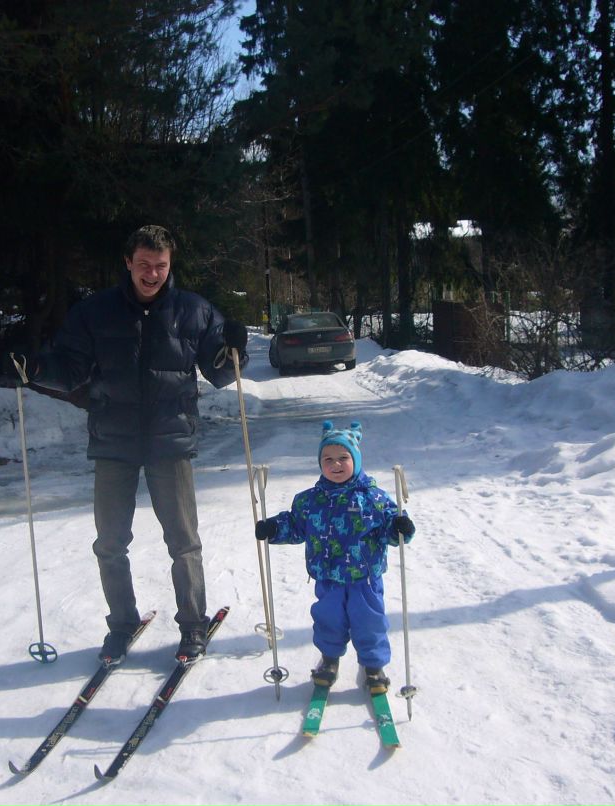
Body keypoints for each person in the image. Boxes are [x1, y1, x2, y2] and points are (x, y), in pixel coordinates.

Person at [29, 225, 248, 667]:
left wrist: (232, 350)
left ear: (170, 266)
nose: (152, 274)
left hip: (171, 441)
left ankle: (192, 624)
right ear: (128, 262)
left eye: (160, 266)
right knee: (110, 543)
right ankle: (122, 623)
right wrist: (33, 368)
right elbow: (69, 369)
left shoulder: (194, 310)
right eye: (144, 264)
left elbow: (220, 371)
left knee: (183, 542)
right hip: (114, 441)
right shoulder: (96, 312)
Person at [254, 420, 415, 694]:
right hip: (328, 576)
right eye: (328, 459)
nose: (336, 465)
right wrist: (273, 528)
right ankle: (329, 659)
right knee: (329, 620)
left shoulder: (373, 498)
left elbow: (389, 527)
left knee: (369, 621)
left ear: (356, 460)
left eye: (343, 458)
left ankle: (373, 665)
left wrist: (400, 528)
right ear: (320, 463)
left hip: (364, 577)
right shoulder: (309, 501)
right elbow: (295, 525)